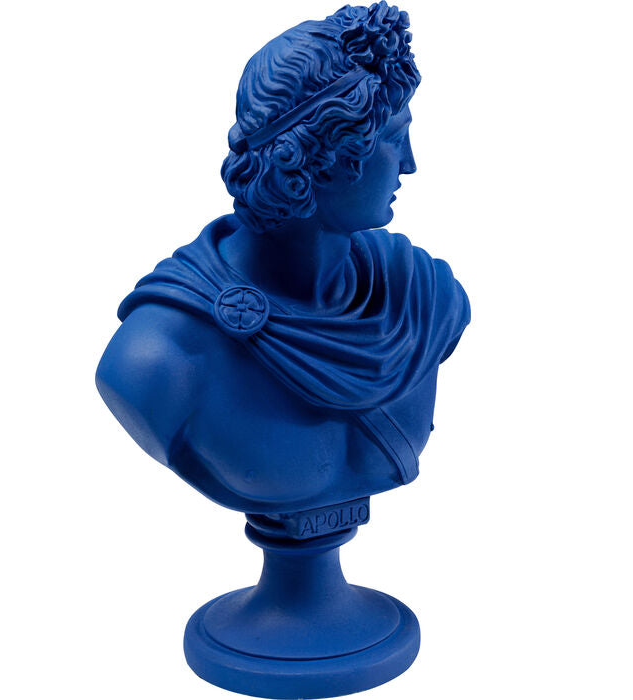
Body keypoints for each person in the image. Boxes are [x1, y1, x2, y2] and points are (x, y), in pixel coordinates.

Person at [96, 2, 470, 515]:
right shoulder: (157, 359)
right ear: (322, 158)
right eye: (392, 138)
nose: (409, 163)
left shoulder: (424, 299)